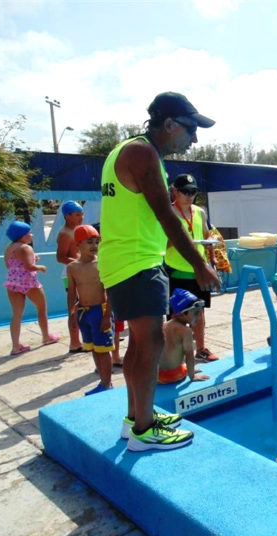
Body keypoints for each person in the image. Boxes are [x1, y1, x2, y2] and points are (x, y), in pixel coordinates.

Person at [99, 91, 219, 452]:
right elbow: (166, 216)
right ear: (168, 124)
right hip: (136, 262)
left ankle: (136, 417)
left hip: (128, 260)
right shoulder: (141, 153)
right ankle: (144, 431)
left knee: (140, 342)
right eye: (190, 128)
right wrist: (200, 265)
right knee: (150, 341)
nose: (194, 138)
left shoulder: (129, 150)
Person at [165, 173, 218, 362]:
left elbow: (206, 234)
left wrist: (210, 245)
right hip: (177, 270)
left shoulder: (200, 212)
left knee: (199, 312)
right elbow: (161, 245)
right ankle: (174, 353)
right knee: (177, 315)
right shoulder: (168, 213)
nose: (190, 195)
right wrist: (179, 240)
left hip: (198, 271)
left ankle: (201, 349)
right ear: (175, 192)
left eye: (193, 192)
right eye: (185, 192)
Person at [66, 225, 114, 395]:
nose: (94, 246)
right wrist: (72, 315)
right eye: (89, 242)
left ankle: (107, 384)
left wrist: (107, 316)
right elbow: (72, 293)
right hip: (83, 312)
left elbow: (110, 292)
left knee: (103, 350)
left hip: (100, 312)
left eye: (96, 242)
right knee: (93, 348)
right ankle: (103, 382)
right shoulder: (72, 267)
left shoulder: (102, 264)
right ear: (78, 244)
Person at [3, 221, 59, 355]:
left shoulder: (9, 248)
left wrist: (32, 259)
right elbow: (29, 267)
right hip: (28, 283)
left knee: (16, 314)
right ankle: (46, 336)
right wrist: (40, 267)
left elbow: (10, 265)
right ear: (22, 235)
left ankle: (16, 346)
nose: (31, 235)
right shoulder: (26, 248)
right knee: (41, 308)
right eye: (29, 232)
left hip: (12, 283)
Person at [158, 288, 210, 385]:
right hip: (172, 376)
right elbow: (189, 356)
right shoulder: (186, 331)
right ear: (181, 314)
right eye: (195, 313)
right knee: (183, 366)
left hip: (157, 376)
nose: (198, 317)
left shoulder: (165, 325)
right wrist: (192, 375)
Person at [56, 201, 84, 353]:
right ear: (68, 216)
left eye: (82, 214)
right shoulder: (65, 233)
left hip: (80, 272)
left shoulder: (77, 230)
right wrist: (81, 262)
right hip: (71, 275)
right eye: (78, 215)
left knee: (84, 307)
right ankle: (74, 342)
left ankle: (83, 339)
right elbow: (60, 257)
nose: (82, 217)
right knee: (74, 308)